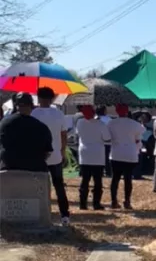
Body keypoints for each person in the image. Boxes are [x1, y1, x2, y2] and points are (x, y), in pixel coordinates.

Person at [31, 87, 71, 225]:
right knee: (59, 186)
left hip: (38, 156)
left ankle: (39, 214)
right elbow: (63, 134)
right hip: (56, 156)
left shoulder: (33, 114)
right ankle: (65, 215)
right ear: (52, 98)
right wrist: (62, 151)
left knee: (38, 187)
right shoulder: (58, 114)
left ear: (39, 98)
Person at [0, 93, 52, 172]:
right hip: (35, 172)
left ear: (16, 106)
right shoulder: (41, 126)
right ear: (31, 106)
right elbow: (47, 152)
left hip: (8, 170)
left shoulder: (3, 123)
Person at [107, 104, 145, 209]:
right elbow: (140, 134)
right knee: (128, 179)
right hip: (130, 153)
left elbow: (107, 136)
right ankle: (127, 201)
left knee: (115, 179)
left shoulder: (111, 123)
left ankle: (113, 201)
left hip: (116, 153)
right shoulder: (134, 124)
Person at [75, 105, 111, 210]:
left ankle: (82, 203)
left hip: (84, 153)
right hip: (97, 154)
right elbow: (107, 138)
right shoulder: (100, 124)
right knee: (98, 180)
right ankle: (96, 203)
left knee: (85, 180)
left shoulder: (79, 122)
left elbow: (78, 134)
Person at [96, 106, 113, 177]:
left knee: (98, 157)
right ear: (104, 111)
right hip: (107, 142)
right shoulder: (109, 119)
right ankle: (108, 172)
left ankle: (99, 171)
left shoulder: (95, 119)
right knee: (106, 157)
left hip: (97, 142)